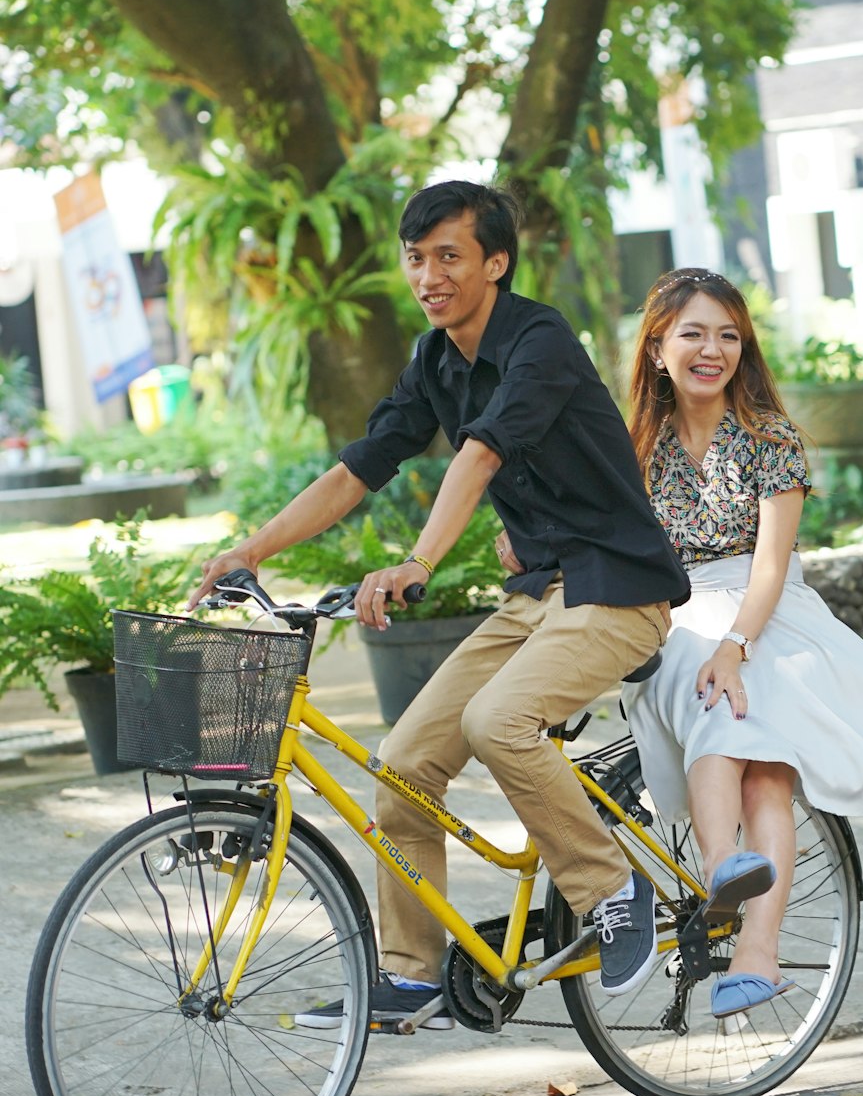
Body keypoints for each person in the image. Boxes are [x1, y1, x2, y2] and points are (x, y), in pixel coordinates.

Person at [191, 181, 691, 1028]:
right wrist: (251, 550)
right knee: (406, 766)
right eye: (416, 258)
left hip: (618, 589)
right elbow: (358, 468)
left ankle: (614, 889)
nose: (428, 276)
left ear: (495, 263)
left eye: (449, 256)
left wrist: (418, 563)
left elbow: (482, 455)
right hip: (537, 594)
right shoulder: (434, 359)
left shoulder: (540, 340)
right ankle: (412, 971)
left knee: (497, 722)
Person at [620, 268, 863, 1019]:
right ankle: (725, 866)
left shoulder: (768, 437)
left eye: (728, 334)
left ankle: (756, 947)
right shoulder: (634, 448)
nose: (712, 348)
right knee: (701, 686)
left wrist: (736, 644)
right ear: (657, 349)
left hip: (764, 614)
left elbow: (772, 566)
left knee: (765, 773)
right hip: (673, 615)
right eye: (693, 333)